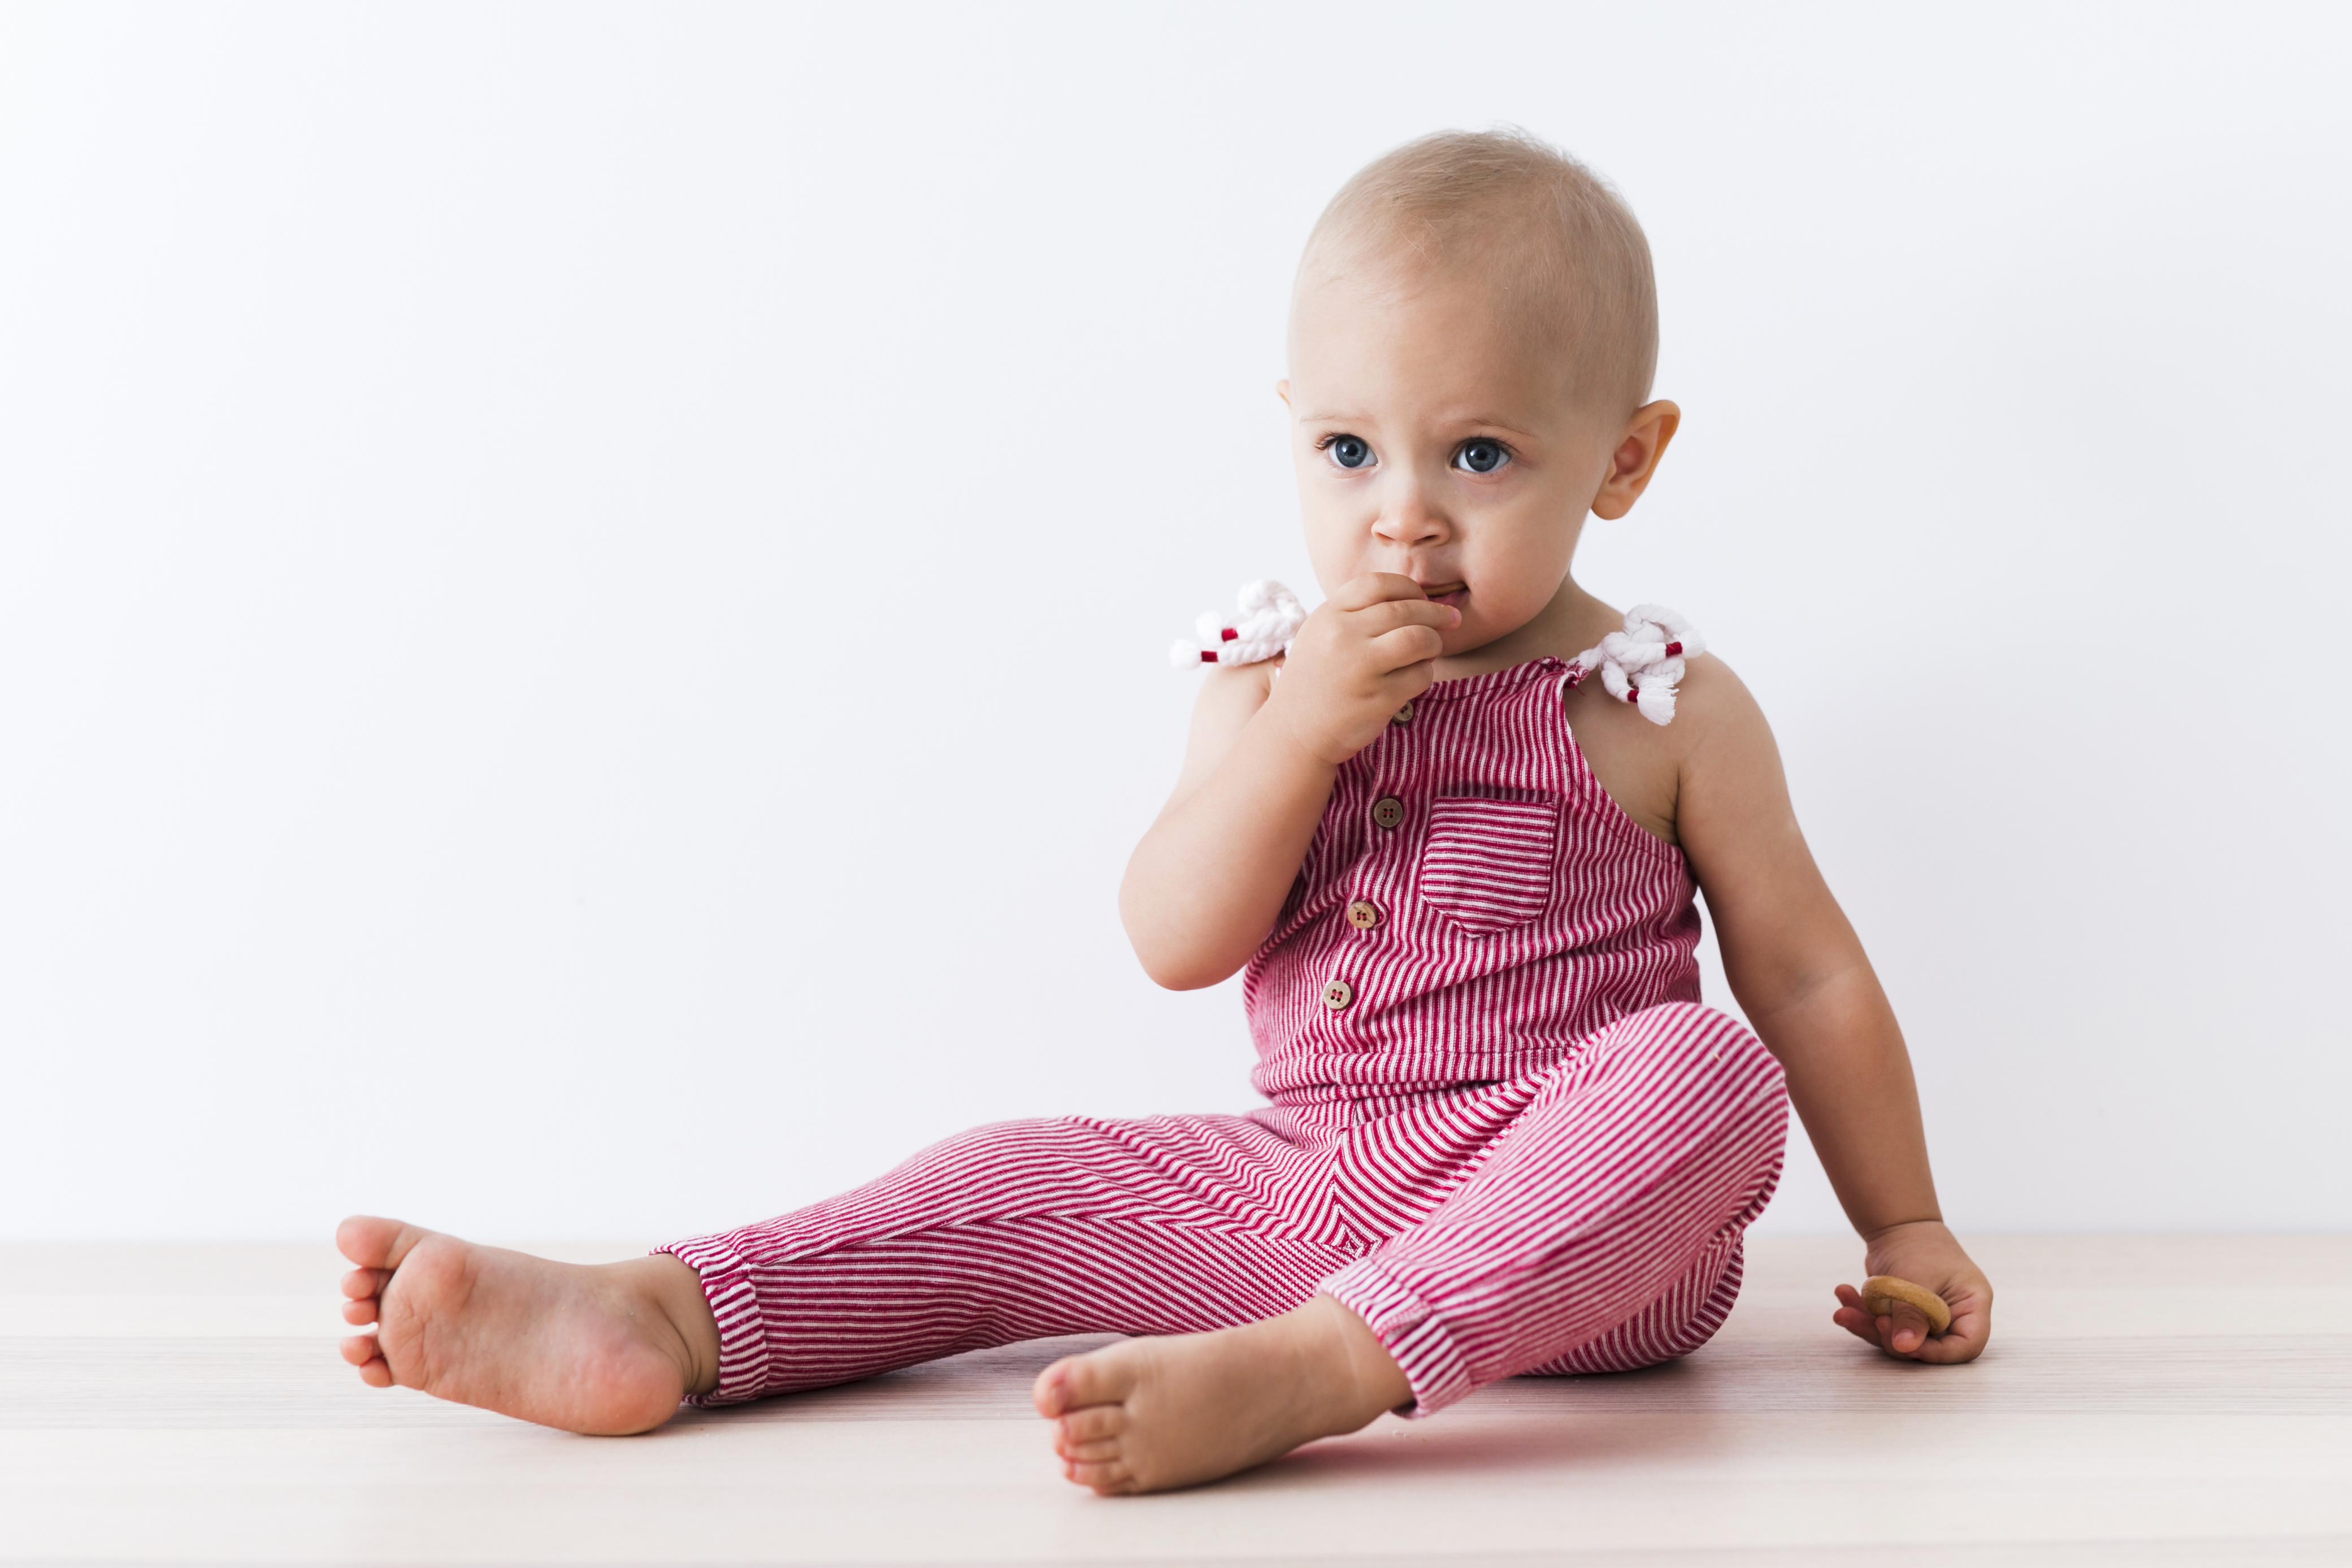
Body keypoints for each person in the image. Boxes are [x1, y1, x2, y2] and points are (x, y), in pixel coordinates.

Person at [335, 127, 1994, 1496]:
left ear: (1619, 462)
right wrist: (1295, 743)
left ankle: (1328, 1372)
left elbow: (1806, 982)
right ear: (1292, 433)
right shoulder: (1259, 687)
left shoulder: (1657, 708)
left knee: (1700, 1067)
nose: (1399, 520)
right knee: (1005, 1181)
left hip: (1577, 1240)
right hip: (1293, 1188)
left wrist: (1904, 1224)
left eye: (1477, 458)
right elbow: (1172, 942)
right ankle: (665, 1318)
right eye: (1350, 451)